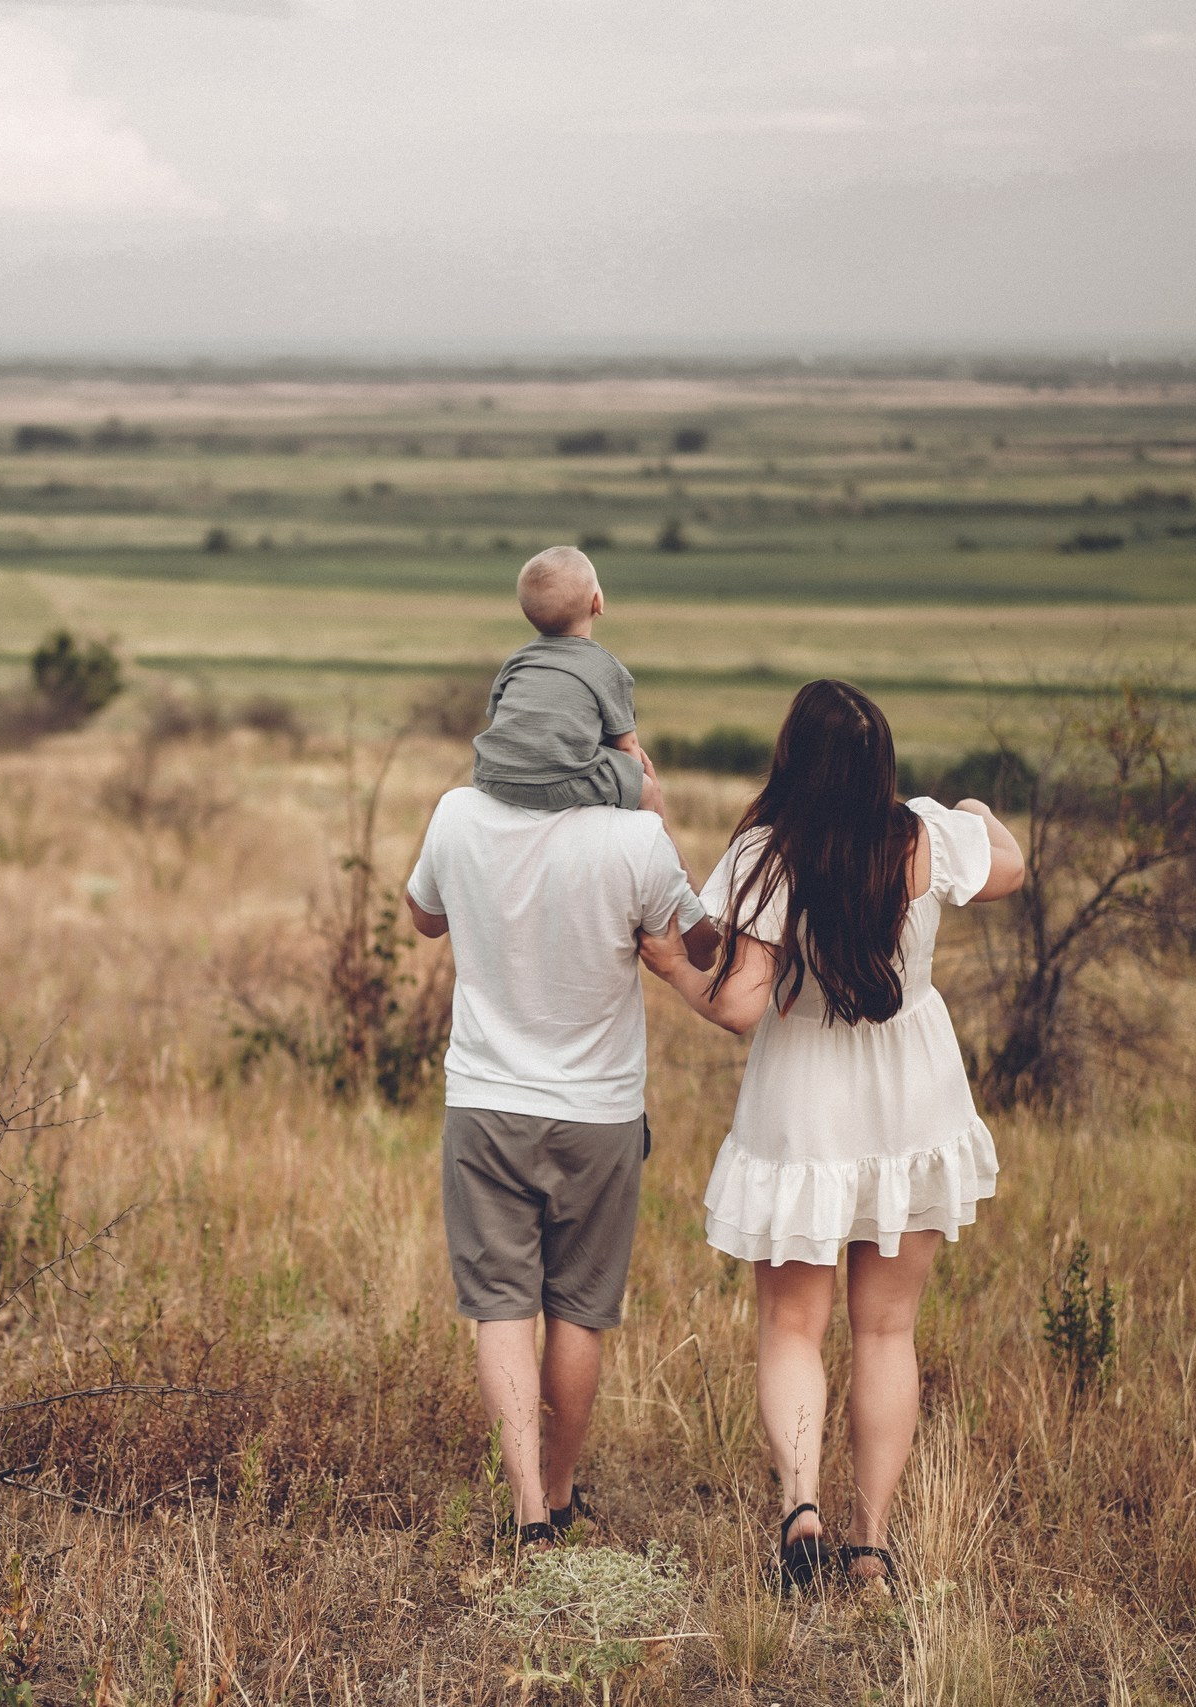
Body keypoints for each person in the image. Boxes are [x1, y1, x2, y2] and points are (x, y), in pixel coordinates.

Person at [639, 679, 1023, 1590]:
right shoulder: (922, 834)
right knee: (888, 1331)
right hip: (911, 1098)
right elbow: (1008, 864)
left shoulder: (768, 853)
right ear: (879, 763)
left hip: (806, 1100)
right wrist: (973, 808)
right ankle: (872, 1546)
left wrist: (668, 970)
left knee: (791, 1326)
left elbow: (735, 1003)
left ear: (793, 759)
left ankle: (801, 1511)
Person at [405, 722, 717, 1548]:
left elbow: (421, 916)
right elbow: (704, 944)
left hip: (485, 1102)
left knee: (501, 1306)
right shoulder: (636, 836)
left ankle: (527, 1511)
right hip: (600, 1113)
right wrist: (656, 806)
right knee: (579, 1307)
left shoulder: (456, 812)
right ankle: (562, 1485)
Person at [471, 546, 658, 817]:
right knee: (646, 786)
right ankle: (644, 842)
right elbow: (626, 745)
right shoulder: (606, 667)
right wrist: (634, 783)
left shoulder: (517, 661)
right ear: (597, 602)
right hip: (561, 784)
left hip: (492, 776)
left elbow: (500, 718)